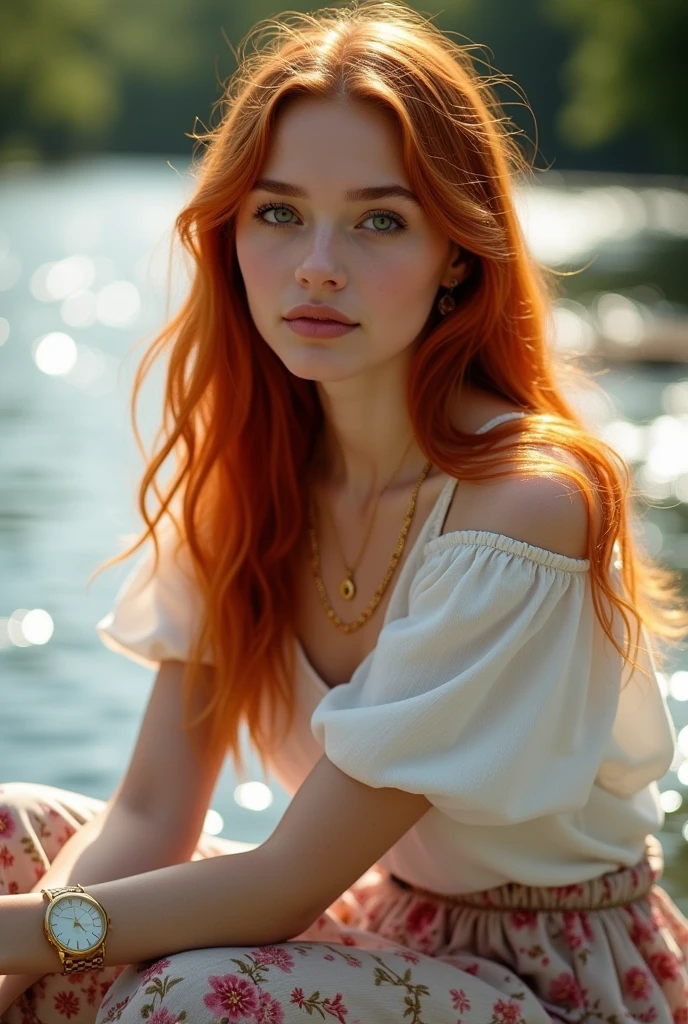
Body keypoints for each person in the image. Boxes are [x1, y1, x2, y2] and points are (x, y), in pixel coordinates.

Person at [2, 1, 688, 1020]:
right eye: (279, 212)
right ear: (232, 229)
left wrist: (34, 940)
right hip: (379, 921)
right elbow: (151, 809)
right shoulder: (250, 473)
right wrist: (36, 953)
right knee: (12, 831)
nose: (318, 263)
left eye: (379, 220)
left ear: (456, 250)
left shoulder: (524, 507)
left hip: (558, 973)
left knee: (192, 994)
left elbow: (282, 885)